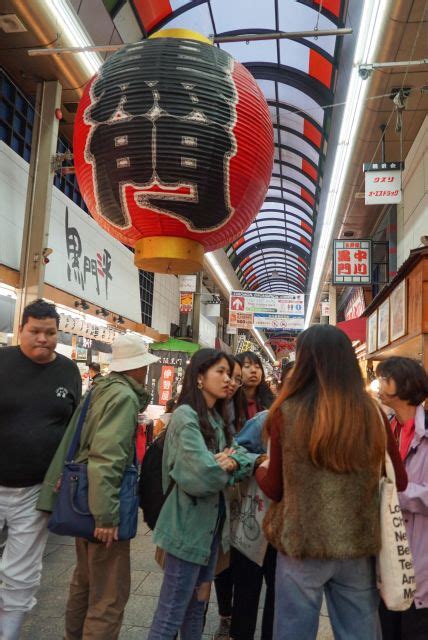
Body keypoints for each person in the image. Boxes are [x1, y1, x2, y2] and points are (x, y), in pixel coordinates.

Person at [256, 325, 407, 640]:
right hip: (356, 545)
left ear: (305, 362)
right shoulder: (374, 414)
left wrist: (259, 465)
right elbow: (399, 481)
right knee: (360, 633)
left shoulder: (286, 412)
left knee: (292, 633)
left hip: (301, 545)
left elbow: (274, 488)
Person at [37, 333, 159, 640]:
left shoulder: (101, 389)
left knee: (85, 583)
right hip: (99, 505)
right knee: (109, 595)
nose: (145, 371)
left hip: (81, 499)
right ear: (135, 367)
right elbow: (107, 457)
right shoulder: (124, 397)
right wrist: (106, 516)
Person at [148, 349, 253, 640]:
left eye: (229, 374)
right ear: (199, 377)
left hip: (210, 530)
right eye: (220, 372)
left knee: (196, 609)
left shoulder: (214, 417)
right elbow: (203, 476)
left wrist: (231, 460)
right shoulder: (185, 416)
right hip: (186, 529)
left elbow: (241, 454)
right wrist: (229, 463)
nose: (227, 379)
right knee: (170, 615)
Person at [0, 298, 81, 639]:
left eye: (50, 333)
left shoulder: (68, 370)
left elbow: (74, 427)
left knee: (22, 572)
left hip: (36, 490)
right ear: (21, 330)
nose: (44, 339)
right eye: (35, 331)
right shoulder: (1, 362)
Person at [221, 351, 275, 640]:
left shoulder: (272, 405)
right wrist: (256, 461)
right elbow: (233, 451)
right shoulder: (233, 407)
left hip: (275, 508)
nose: (253, 372)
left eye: (257, 366)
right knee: (238, 573)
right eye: (247, 367)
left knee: (271, 584)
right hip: (245, 496)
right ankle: (229, 619)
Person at [376, 356, 428, 640]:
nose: (379, 383)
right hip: (388, 555)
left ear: (405, 384)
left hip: (421, 558)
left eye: (385, 377)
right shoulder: (386, 427)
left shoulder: (425, 432)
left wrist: (394, 493)